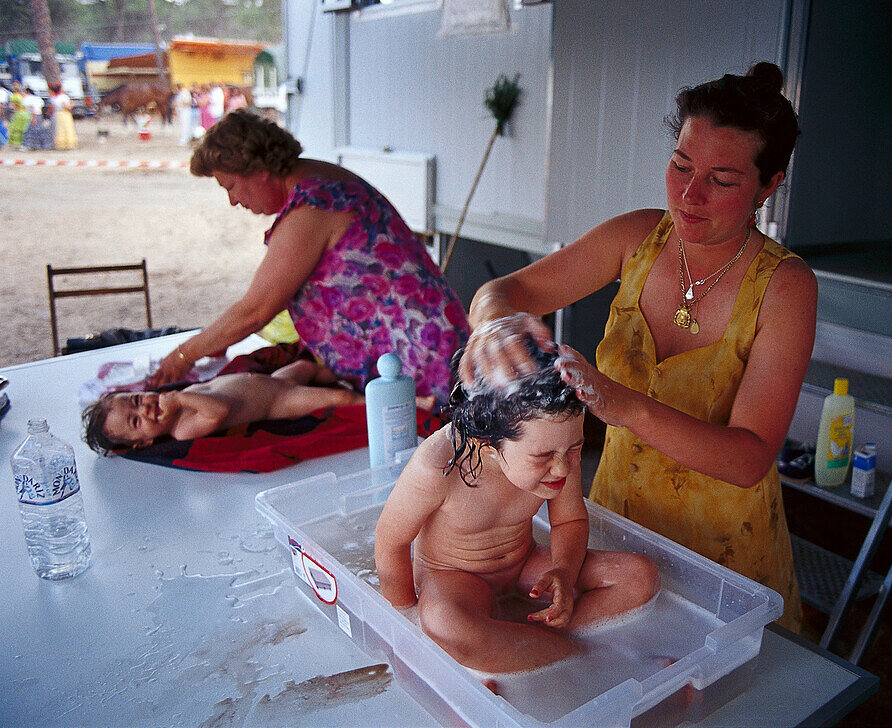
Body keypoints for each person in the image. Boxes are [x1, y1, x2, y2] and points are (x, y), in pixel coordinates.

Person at [459, 63, 814, 632]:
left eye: (722, 181)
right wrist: (495, 329)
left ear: (768, 185)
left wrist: (620, 404)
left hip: (723, 545)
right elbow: (505, 291)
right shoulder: (637, 239)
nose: (689, 194)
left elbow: (748, 459)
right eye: (680, 166)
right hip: (617, 518)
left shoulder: (785, 286)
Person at [375, 342, 660, 674]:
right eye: (543, 458)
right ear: (489, 446)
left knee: (640, 578)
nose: (564, 469)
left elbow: (569, 521)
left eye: (576, 448)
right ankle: (579, 655)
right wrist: (405, 622)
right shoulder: (437, 466)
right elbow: (390, 543)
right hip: (455, 578)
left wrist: (565, 575)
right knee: (449, 626)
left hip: (525, 564)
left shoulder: (556, 448)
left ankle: (518, 646)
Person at [147, 110, 469, 403]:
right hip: (429, 340)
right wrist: (216, 341)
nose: (232, 200)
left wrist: (182, 356)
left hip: (421, 359)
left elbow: (256, 310)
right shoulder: (321, 177)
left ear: (259, 170)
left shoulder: (312, 205)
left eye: (230, 186)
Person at [83, 360, 361, 453]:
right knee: (341, 401)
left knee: (307, 366)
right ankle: (376, 399)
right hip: (279, 401)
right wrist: (179, 398)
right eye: (136, 422)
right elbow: (220, 410)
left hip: (274, 381)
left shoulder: (173, 398)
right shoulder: (183, 428)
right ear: (143, 443)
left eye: (135, 401)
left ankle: (354, 377)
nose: (143, 410)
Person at [50, 82, 77, 151]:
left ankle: (60, 144)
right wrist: (72, 104)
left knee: (59, 129)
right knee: (67, 128)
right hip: (65, 113)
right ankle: (69, 144)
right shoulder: (64, 97)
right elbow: (67, 107)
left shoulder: (54, 98)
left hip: (58, 113)